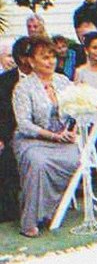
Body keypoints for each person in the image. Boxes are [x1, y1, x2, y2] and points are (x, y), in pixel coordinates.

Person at [11, 36, 79, 237]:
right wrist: (51, 136)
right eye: (44, 57)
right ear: (31, 61)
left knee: (76, 159)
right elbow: (23, 124)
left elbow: (75, 110)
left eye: (52, 57)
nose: (50, 61)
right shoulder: (23, 87)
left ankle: (52, 207)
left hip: (63, 139)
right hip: (33, 140)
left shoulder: (64, 81)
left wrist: (72, 130)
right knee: (38, 162)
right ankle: (31, 220)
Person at [0, 37, 31, 223]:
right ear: (21, 58)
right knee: (5, 154)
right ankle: (8, 207)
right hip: (10, 133)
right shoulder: (5, 81)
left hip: (39, 135)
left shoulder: (52, 77)